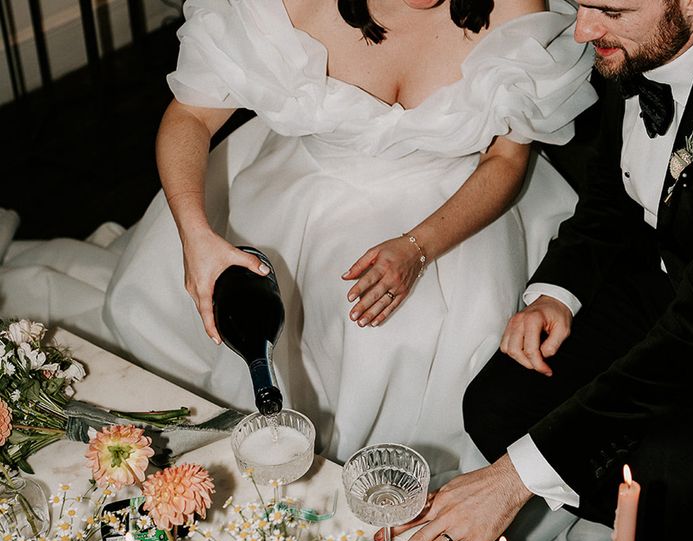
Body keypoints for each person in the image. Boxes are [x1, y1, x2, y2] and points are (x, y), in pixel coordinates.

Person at [9, 0, 594, 482]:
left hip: (455, 211)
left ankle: (377, 491)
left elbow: (508, 158)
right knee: (269, 317)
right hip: (303, 188)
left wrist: (418, 247)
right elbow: (188, 117)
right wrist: (196, 238)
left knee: (410, 338)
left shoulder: (518, 5)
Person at [384, 0, 693, 541]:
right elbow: (611, 198)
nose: (583, 30)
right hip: (667, 269)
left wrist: (513, 481)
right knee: (496, 403)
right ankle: (658, 530)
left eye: (610, 9)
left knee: (670, 472)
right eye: (584, 0)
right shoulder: (639, 42)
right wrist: (554, 296)